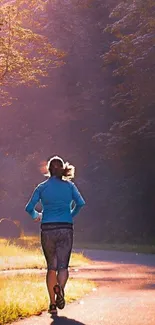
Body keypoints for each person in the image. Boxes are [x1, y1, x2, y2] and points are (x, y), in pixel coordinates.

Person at [25, 156, 85, 316]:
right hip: (66, 227)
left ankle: (52, 304)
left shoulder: (42, 187)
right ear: (63, 169)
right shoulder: (70, 186)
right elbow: (81, 203)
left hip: (47, 228)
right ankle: (61, 289)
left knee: (51, 267)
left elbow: (29, 207)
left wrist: (36, 215)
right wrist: (70, 214)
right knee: (63, 266)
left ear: (49, 170)